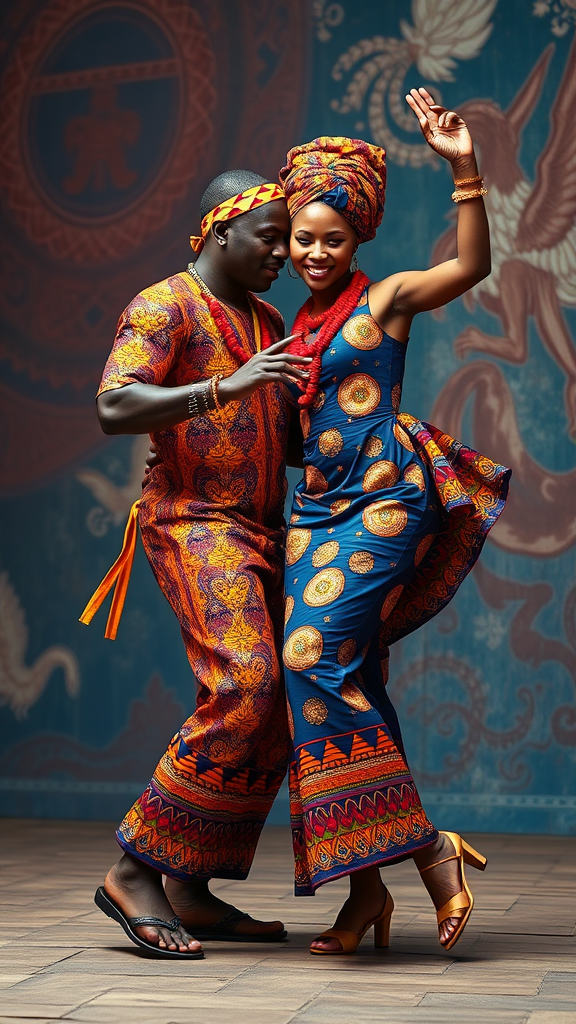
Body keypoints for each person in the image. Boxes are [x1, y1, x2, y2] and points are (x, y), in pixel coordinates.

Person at [277, 88, 510, 955]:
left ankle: (428, 854)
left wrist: (463, 168)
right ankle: (364, 894)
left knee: (311, 660)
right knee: (347, 684)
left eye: (334, 238)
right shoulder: (287, 327)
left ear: (359, 238)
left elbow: (472, 269)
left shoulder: (386, 301)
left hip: (382, 500)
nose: (316, 252)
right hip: (312, 518)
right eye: (304, 237)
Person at [81, 171, 312, 958]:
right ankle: (134, 869)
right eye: (270, 236)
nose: (283, 251)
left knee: (286, 698)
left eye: (287, 237)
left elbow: (287, 434)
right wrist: (222, 387)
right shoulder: (163, 304)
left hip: (263, 529)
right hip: (192, 522)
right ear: (222, 232)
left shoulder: (270, 317)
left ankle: (189, 883)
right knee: (245, 683)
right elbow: (115, 405)